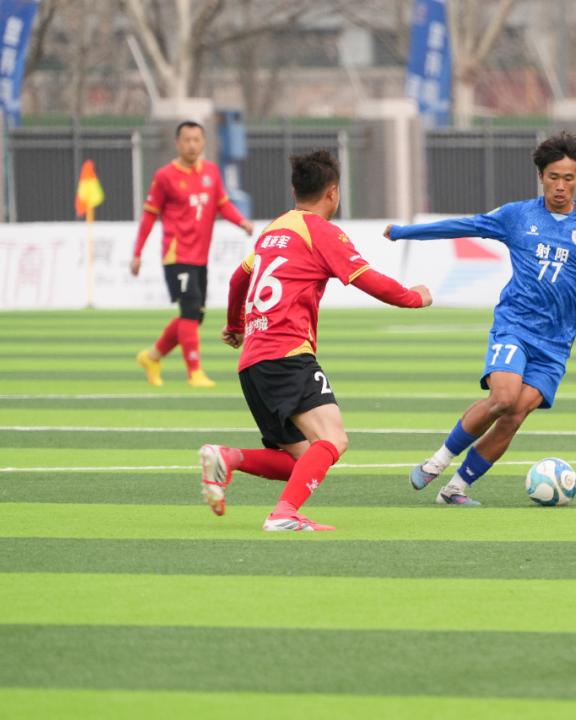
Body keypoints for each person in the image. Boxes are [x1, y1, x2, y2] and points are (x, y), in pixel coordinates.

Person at [383, 131, 576, 506]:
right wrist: (405, 232)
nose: (560, 186)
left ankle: (455, 489)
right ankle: (437, 461)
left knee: (514, 417)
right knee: (502, 398)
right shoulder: (518, 216)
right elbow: (464, 226)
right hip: (515, 327)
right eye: (553, 177)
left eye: (568, 178)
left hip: (556, 343)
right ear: (541, 176)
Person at [197, 149, 432, 531]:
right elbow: (367, 278)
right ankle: (283, 514)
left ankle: (228, 458)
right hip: (287, 354)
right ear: (333, 193)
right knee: (333, 439)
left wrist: (236, 325)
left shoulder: (274, 229)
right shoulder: (321, 231)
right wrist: (414, 297)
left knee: (302, 457)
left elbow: (239, 279)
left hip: (253, 362)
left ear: (295, 190)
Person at [131, 121, 254, 388]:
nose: (191, 145)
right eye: (186, 140)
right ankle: (194, 372)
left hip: (200, 257)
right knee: (189, 310)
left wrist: (242, 222)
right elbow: (149, 216)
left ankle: (151, 357)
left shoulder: (211, 171)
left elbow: (223, 204)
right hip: (177, 256)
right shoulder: (165, 176)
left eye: (196, 139)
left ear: (203, 142)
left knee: (195, 316)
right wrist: (137, 253)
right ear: (177, 143)